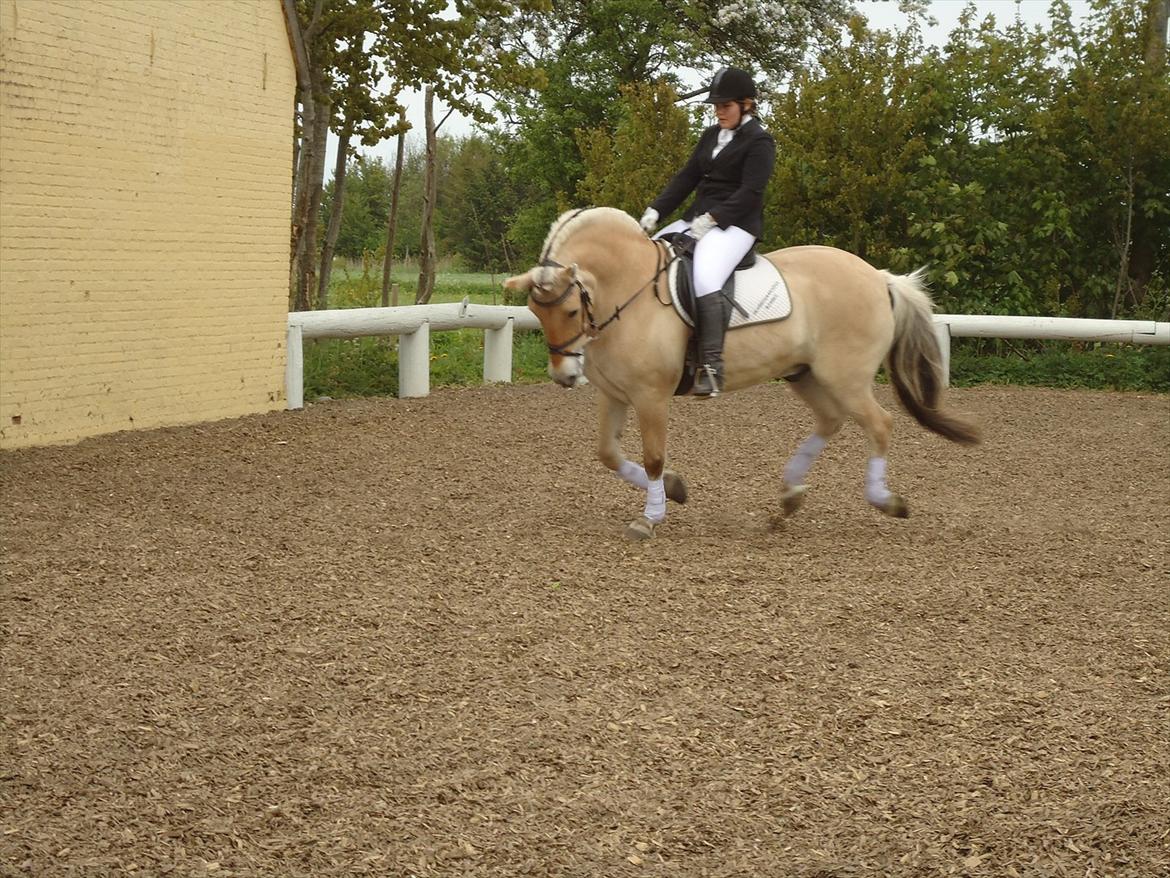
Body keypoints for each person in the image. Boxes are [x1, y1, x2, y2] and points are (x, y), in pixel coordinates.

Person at [639, 66, 776, 397]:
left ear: (746, 104)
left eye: (725, 106)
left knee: (705, 276)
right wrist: (655, 211)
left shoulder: (760, 142)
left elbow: (750, 192)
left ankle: (711, 366)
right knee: (651, 255)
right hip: (699, 219)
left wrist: (713, 218)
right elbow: (686, 177)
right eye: (716, 105)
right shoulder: (711, 135)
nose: (719, 111)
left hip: (737, 225)